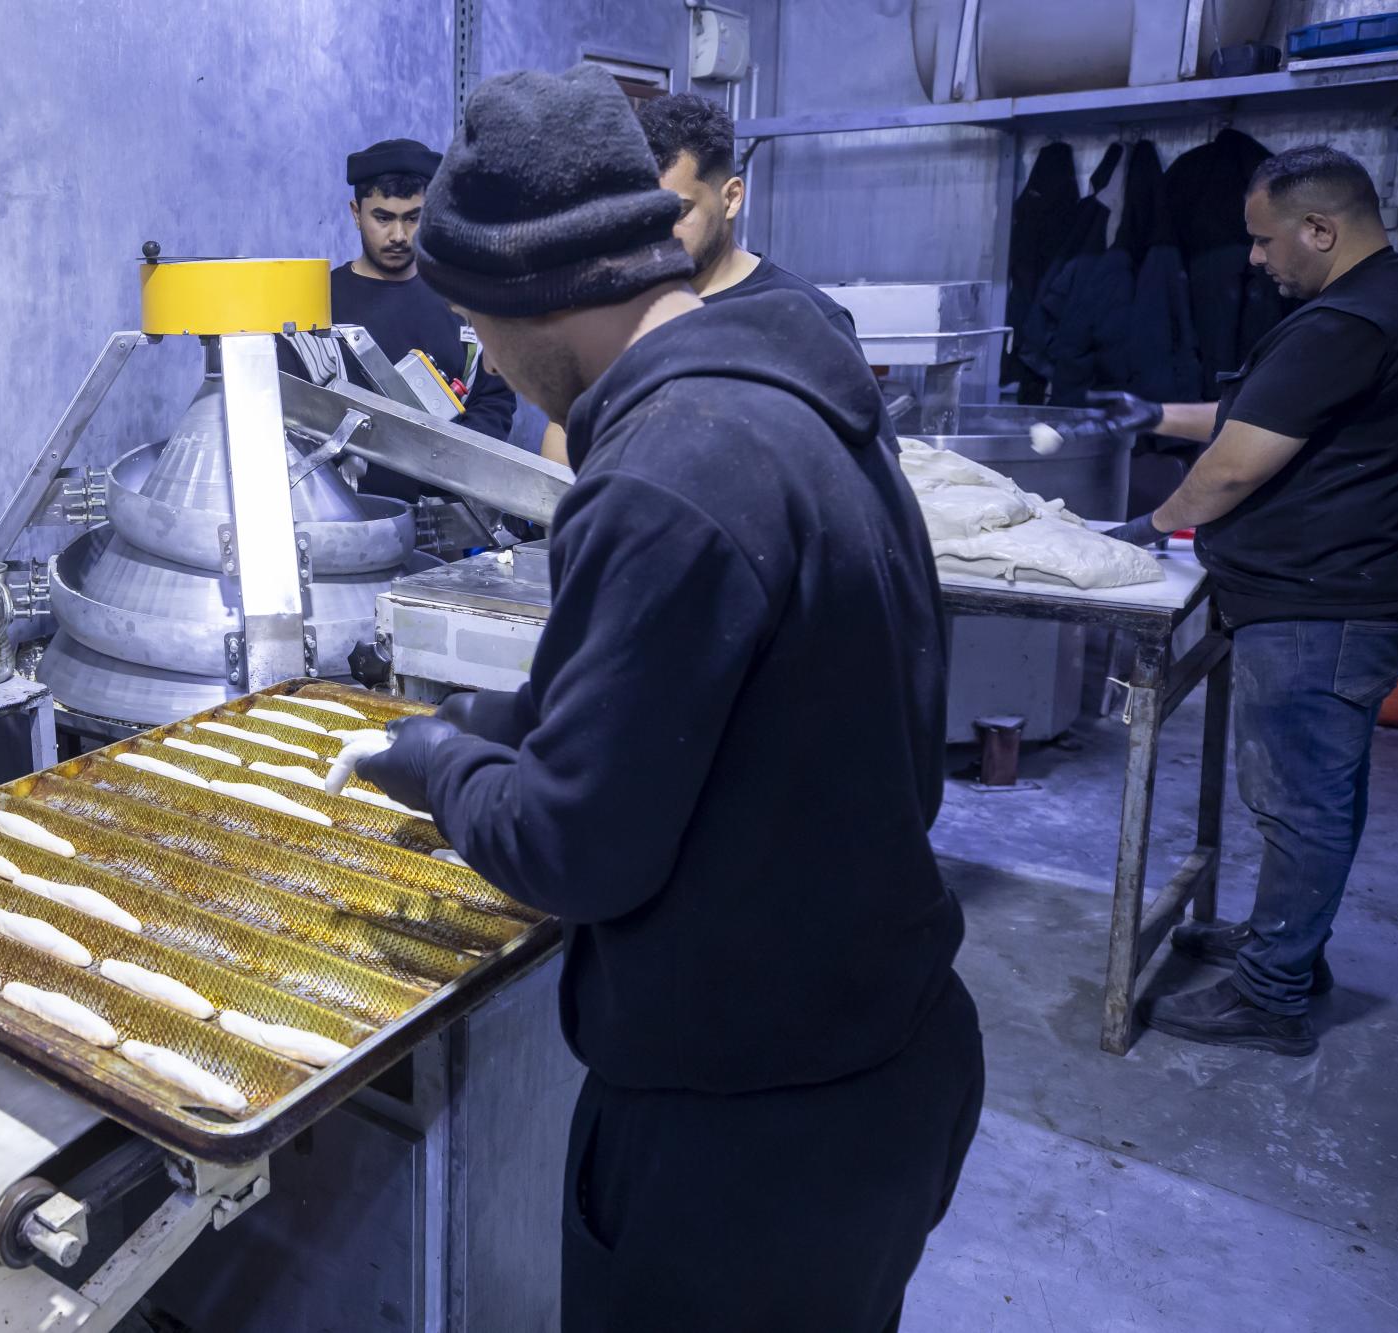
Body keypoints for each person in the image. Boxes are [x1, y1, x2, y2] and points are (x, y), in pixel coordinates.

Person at [353, 66, 983, 1331]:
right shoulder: (797, 384)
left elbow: (570, 852)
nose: (487, 355)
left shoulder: (660, 476)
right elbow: (744, 695)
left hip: (746, 1132)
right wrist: (507, 725)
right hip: (882, 1049)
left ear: (534, 297)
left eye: (476, 326)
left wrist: (435, 764)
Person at [1095, 146, 1398, 1056]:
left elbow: (1233, 466)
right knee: (1317, 792)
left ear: (1321, 229)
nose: (1254, 258)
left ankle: (1272, 995)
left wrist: (1150, 525)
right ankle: (1286, 945)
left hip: (1320, 604)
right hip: (1345, 591)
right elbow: (1267, 411)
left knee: (1300, 801)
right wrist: (1151, 413)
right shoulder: (1388, 299)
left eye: (1267, 240)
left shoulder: (1346, 322)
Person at [540, 91, 858, 466]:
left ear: (731, 198)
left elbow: (853, 470)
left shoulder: (809, 324)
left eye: (677, 212)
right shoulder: (614, 306)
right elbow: (565, 431)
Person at [330, 138, 517, 501]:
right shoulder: (319, 303)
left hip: (449, 512)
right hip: (345, 515)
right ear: (356, 213)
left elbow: (494, 399)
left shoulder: (467, 302)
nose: (398, 236)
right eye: (383, 218)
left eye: (413, 218)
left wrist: (449, 468)